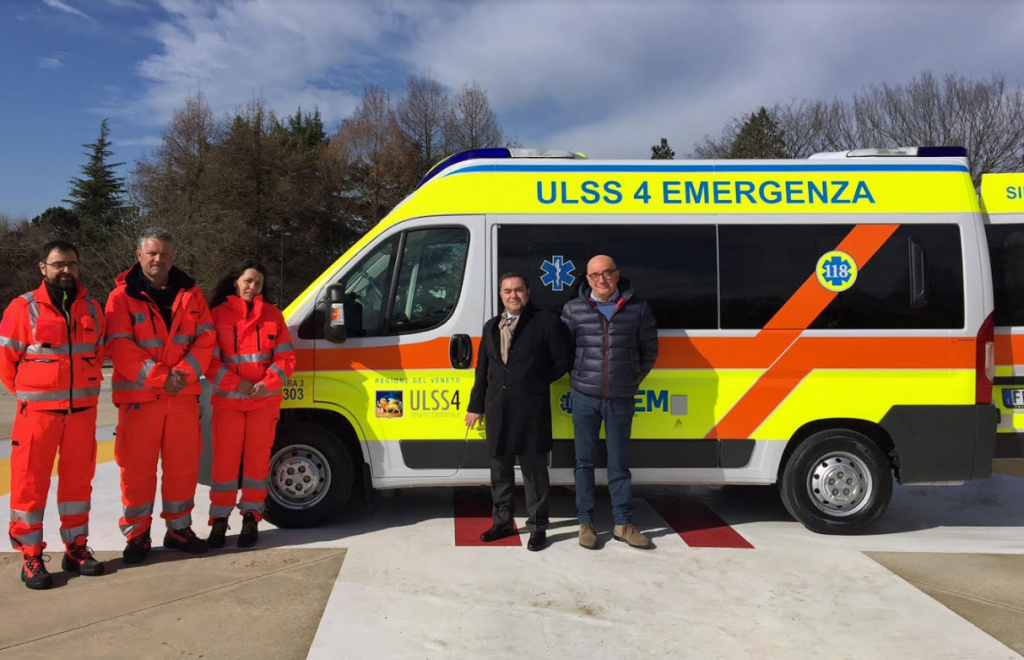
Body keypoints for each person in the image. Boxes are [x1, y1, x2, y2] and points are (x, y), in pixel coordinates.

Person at [105, 228, 216, 563]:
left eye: (165, 254)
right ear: (139, 256)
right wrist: (159, 378)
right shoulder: (121, 296)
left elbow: (206, 337)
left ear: (173, 257)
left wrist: (180, 376)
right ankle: (138, 534)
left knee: (182, 467)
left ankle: (179, 529)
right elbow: (119, 345)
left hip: (181, 398)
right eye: (152, 253)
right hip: (141, 401)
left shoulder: (191, 293)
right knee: (137, 470)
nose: (159, 259)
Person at [0, 240, 106, 589]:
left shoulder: (91, 307)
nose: (66, 270)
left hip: (82, 415)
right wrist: (33, 395)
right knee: (29, 484)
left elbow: (99, 350)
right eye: (58, 263)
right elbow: (6, 362)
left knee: (77, 485)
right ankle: (30, 555)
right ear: (42, 267)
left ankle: (75, 549)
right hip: (38, 417)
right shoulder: (23, 308)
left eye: (72, 264)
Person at [466, 272, 572, 551]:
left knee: (534, 471)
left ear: (528, 292)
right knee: (499, 469)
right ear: (500, 295)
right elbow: (483, 371)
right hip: (497, 408)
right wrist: (476, 405)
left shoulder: (546, 323)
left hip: (531, 408)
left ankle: (538, 527)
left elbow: (563, 360)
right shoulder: (491, 326)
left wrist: (535, 380)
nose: (513, 295)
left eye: (518, 290)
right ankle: (502, 521)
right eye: (507, 291)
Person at [561, 255, 658, 550]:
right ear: (586, 279)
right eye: (594, 275)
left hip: (620, 397)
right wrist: (579, 378)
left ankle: (623, 524)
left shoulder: (638, 308)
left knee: (618, 464)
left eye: (607, 273)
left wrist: (630, 379)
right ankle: (585, 523)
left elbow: (649, 350)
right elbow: (564, 351)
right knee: (584, 463)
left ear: (617, 275)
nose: (601, 280)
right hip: (584, 397)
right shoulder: (573, 309)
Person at [204, 260, 295, 549]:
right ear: (235, 282)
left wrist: (264, 384)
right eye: (247, 280)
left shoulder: (273, 315)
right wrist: (239, 385)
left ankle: (251, 519)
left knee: (257, 465)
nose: (252, 286)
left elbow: (286, 359)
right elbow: (210, 361)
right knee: (224, 465)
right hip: (229, 404)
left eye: (257, 282)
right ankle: (219, 521)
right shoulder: (216, 315)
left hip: (263, 404)